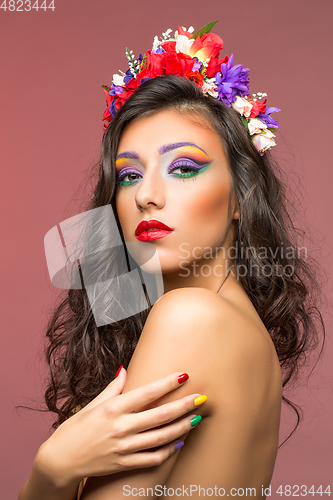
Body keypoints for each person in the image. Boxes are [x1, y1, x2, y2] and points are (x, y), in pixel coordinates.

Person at [19, 22, 325, 500]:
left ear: (241, 195)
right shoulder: (232, 324)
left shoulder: (191, 319)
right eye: (128, 175)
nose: (146, 195)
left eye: (183, 167)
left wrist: (51, 470)